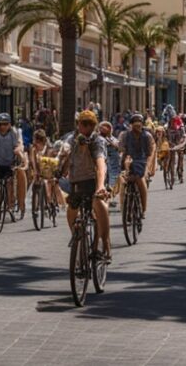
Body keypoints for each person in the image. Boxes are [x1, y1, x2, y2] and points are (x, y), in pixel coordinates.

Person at [62, 110, 111, 262]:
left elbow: (101, 164)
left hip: (94, 181)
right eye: (84, 124)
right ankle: (77, 237)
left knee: (99, 204)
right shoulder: (72, 139)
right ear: (78, 125)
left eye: (91, 124)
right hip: (77, 182)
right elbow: (63, 152)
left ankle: (104, 244)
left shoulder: (98, 141)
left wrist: (101, 186)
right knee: (71, 208)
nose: (87, 128)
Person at [0, 113, 28, 218]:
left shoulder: (14, 133)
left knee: (10, 182)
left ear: (9, 125)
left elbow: (18, 147)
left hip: (9, 163)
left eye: (5, 124)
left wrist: (22, 158)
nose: (2, 127)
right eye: (0, 124)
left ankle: (12, 205)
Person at [119, 113, 155, 216]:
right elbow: (121, 149)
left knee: (140, 181)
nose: (137, 128)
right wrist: (123, 158)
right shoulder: (125, 135)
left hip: (142, 161)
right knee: (123, 181)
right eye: (135, 125)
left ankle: (143, 209)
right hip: (128, 159)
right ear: (131, 125)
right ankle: (124, 206)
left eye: (139, 125)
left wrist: (148, 167)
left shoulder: (147, 136)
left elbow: (150, 153)